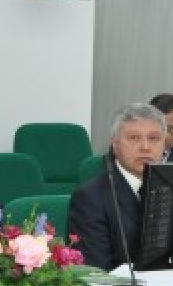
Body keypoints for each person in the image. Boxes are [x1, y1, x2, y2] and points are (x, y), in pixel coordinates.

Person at [68, 104, 166, 271]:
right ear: (114, 143)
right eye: (134, 138)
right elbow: (95, 271)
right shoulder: (90, 198)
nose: (145, 147)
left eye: (154, 138)